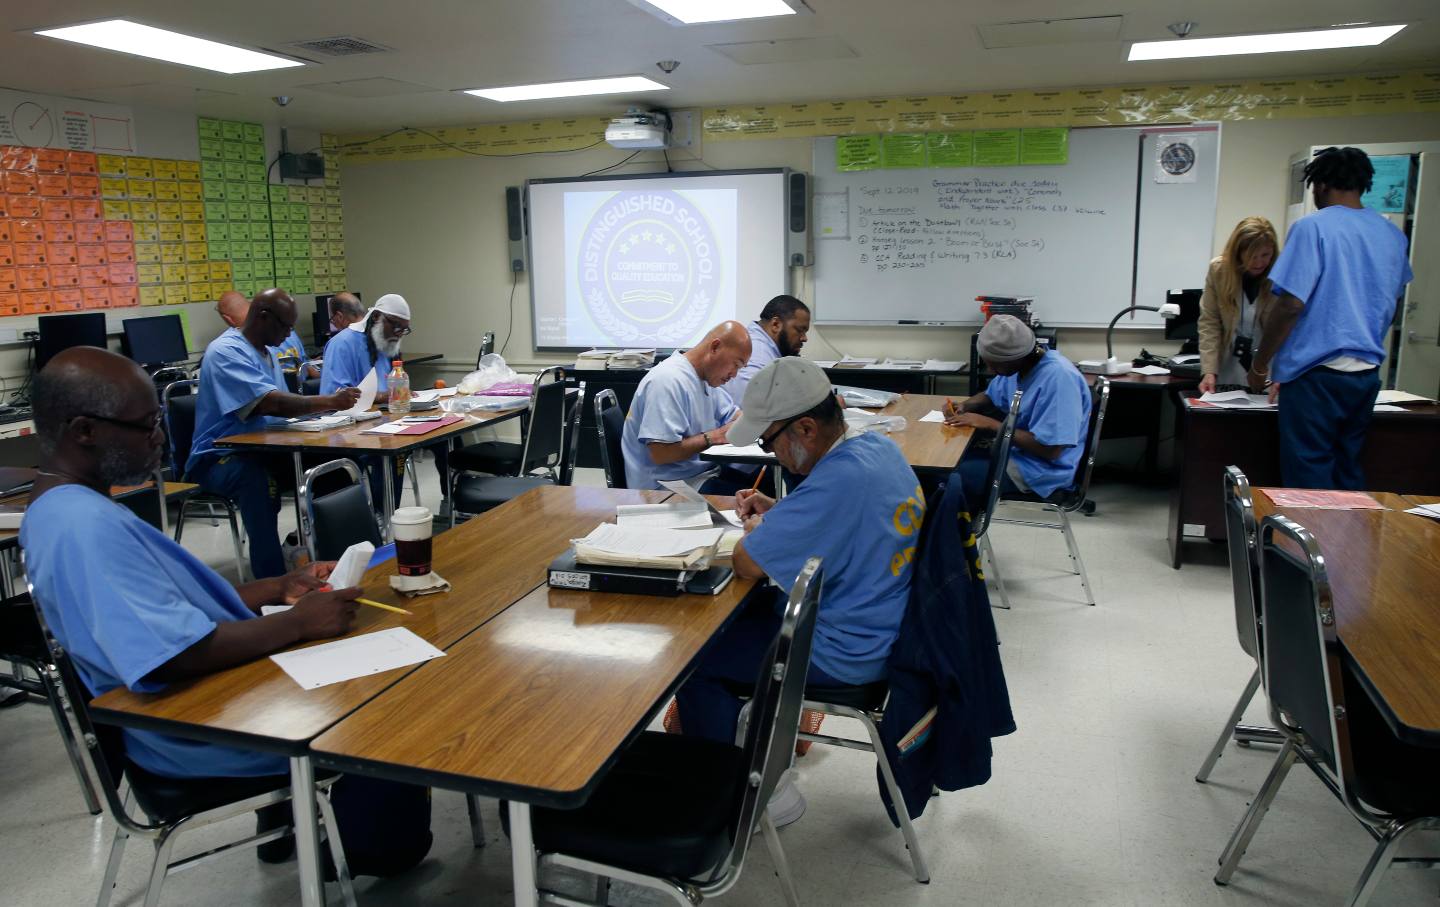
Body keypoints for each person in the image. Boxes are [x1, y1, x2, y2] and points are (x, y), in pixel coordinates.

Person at [22, 347, 432, 876]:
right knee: (389, 695)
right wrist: (298, 622)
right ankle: (362, 853)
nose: (161, 437)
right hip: (194, 729)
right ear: (84, 431)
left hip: (205, 697)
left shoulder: (73, 506)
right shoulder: (81, 528)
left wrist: (275, 588)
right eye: (147, 425)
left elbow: (165, 610)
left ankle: (311, 827)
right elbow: (171, 653)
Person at [673, 357, 924, 823]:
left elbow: (747, 562)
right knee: (731, 626)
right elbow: (835, 519)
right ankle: (760, 761)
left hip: (844, 652)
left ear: (806, 428)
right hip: (883, 627)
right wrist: (780, 512)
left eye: (770, 443)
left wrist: (763, 528)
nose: (772, 455)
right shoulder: (876, 451)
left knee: (695, 662)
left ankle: (738, 797)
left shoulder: (840, 481)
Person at [1249, 147, 1413, 490]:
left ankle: (1309, 545)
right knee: (1347, 468)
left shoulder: (1312, 228)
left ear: (1320, 184)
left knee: (1309, 471)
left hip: (1315, 376)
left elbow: (1290, 305)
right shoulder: (1392, 235)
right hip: (1365, 375)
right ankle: (1345, 544)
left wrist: (1261, 364)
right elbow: (1392, 304)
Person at [187, 290, 361, 578]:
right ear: (263, 317)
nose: (289, 334)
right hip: (220, 457)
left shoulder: (265, 351)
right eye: (286, 327)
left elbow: (280, 412)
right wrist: (329, 400)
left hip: (267, 447)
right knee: (257, 482)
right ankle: (274, 584)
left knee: (333, 469)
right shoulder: (226, 351)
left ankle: (330, 562)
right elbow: (271, 403)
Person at [945, 315, 1090, 506]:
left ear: (1016, 358)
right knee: (949, 461)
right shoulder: (1019, 367)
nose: (990, 370)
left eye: (995, 364)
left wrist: (991, 424)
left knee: (947, 479)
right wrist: (966, 405)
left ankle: (956, 531)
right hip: (1015, 455)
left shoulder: (1059, 379)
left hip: (1039, 473)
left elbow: (1051, 450)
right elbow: (991, 395)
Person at [620, 321, 751, 493]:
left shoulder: (705, 377)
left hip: (701, 474)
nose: (734, 375)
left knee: (763, 485)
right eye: (736, 364)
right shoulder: (667, 381)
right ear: (715, 347)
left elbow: (733, 416)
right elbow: (661, 453)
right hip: (668, 487)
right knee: (755, 500)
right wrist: (715, 436)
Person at [1197, 217, 1280, 394]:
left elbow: (1288, 329)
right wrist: (1209, 371)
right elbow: (1209, 322)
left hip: (1269, 368)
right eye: (1252, 256)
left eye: (1265, 255)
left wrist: (1284, 374)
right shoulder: (1219, 271)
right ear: (1238, 253)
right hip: (1229, 367)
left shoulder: (1281, 274)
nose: (1259, 263)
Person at [321, 294, 411, 403]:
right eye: (396, 327)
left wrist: (402, 392)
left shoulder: (384, 344)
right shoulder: (341, 344)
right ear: (376, 316)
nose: (399, 334)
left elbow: (390, 391)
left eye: (404, 330)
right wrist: (381, 397)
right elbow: (333, 397)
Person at [722, 294, 811, 402]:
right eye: (799, 330)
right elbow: (753, 405)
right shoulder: (758, 353)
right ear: (775, 324)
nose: (804, 338)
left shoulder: (761, 344)